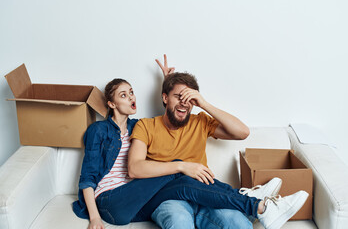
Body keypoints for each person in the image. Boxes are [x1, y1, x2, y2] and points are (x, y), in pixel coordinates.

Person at [73, 55, 307, 229]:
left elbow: (242, 131)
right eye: (123, 95)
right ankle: (254, 201)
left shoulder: (140, 125)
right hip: (134, 200)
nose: (132, 97)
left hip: (181, 195)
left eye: (132, 92)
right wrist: (94, 217)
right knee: (180, 174)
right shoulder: (121, 129)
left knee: (237, 223)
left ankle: (252, 202)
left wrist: (197, 100)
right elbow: (117, 171)